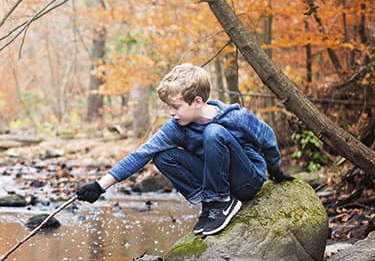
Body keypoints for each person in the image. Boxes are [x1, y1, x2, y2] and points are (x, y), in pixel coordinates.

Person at [75, 63, 293, 235]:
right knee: (162, 156)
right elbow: (142, 153)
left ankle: (221, 202)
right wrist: (100, 185)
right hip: (216, 181)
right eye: (169, 106)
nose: (171, 112)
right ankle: (210, 203)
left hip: (246, 180)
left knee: (213, 133)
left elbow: (268, 139)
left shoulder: (236, 117)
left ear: (197, 101)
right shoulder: (177, 128)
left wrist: (275, 171)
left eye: (175, 106)